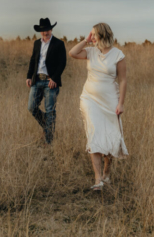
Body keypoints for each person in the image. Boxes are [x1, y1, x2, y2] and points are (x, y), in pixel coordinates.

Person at [69, 23, 128, 190]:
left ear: (103, 35)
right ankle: (98, 180)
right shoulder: (90, 51)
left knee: (110, 138)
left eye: (94, 35)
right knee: (94, 135)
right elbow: (72, 53)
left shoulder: (118, 55)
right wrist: (86, 40)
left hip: (110, 101)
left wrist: (121, 103)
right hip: (89, 99)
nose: (92, 37)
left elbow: (123, 80)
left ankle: (106, 173)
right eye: (91, 35)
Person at [26, 18, 67, 145]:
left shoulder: (58, 44)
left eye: (47, 30)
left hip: (50, 82)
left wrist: (55, 78)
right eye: (43, 30)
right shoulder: (37, 43)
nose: (45, 32)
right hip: (37, 80)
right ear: (40, 32)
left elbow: (62, 63)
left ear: (51, 29)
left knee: (50, 110)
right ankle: (48, 125)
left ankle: (48, 141)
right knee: (31, 107)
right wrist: (29, 76)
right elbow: (33, 60)